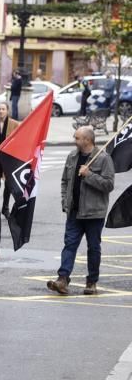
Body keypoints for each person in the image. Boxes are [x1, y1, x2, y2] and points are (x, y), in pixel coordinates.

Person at [48, 126, 116, 296]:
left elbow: (108, 185)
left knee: (93, 248)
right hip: (74, 212)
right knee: (69, 245)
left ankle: (91, 282)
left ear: (87, 140)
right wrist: (65, 201)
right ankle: (62, 279)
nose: (74, 139)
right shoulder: (72, 156)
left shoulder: (103, 159)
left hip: (94, 213)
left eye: (77, 137)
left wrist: (89, 175)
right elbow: (65, 181)